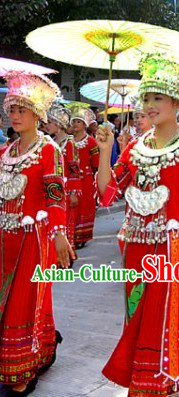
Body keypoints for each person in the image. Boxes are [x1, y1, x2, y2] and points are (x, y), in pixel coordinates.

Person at [96, 53, 179, 397]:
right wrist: (105, 151)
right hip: (135, 244)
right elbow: (108, 193)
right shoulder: (134, 148)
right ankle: (173, 361)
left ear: (177, 102)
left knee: (161, 315)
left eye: (157, 98)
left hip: (174, 247)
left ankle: (156, 383)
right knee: (135, 314)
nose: (149, 105)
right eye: (146, 98)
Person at [0, 72, 74, 396]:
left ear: (37, 114)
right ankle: (44, 342)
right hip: (4, 237)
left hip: (34, 238)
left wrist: (59, 234)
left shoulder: (49, 151)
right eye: (11, 109)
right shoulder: (5, 152)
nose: (15, 116)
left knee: (25, 302)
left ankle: (23, 370)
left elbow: (56, 196)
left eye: (22, 110)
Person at [47, 104, 81, 263]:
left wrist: (74, 192)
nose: (47, 125)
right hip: (55, 190)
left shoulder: (70, 143)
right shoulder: (50, 142)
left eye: (50, 122)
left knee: (67, 224)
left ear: (59, 125)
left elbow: (75, 169)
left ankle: (67, 257)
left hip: (67, 190)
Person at [66, 102, 99, 249]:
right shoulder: (68, 141)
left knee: (85, 206)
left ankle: (83, 235)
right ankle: (72, 234)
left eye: (79, 122)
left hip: (86, 179)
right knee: (73, 207)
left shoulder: (91, 141)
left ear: (85, 125)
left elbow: (96, 163)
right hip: (72, 179)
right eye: (74, 121)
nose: (76, 124)